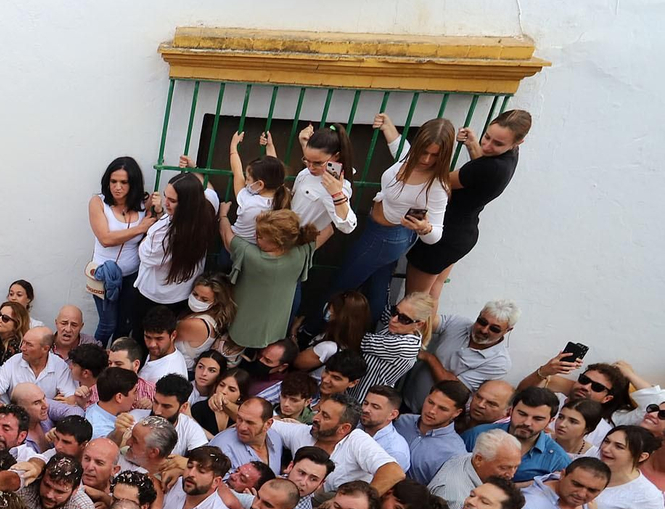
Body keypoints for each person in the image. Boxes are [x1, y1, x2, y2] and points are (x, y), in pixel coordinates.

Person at [323, 116, 455, 325]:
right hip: (380, 232)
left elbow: (435, 235)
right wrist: (387, 126)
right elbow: (400, 149)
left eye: (435, 155)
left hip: (386, 238)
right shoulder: (409, 157)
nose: (426, 159)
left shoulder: (437, 186)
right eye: (423, 151)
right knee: (377, 289)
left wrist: (425, 228)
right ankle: (373, 333)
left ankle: (310, 329)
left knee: (341, 286)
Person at [405, 109, 532, 299]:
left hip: (445, 235)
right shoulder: (509, 156)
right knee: (431, 294)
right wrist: (472, 145)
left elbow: (440, 182)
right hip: (462, 234)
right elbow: (478, 172)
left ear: (518, 142)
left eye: (497, 143)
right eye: (487, 137)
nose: (487, 146)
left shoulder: (489, 167)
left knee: (415, 300)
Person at [128, 173, 219, 336]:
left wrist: (146, 236)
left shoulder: (167, 235)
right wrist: (193, 169)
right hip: (181, 294)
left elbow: (144, 254)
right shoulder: (208, 209)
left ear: (187, 203)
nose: (166, 203)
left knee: (145, 338)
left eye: (172, 200)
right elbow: (211, 191)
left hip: (155, 297)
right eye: (166, 196)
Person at [222, 208, 319, 350]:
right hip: (276, 331)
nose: (255, 237)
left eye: (260, 236)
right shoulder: (301, 252)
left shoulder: (249, 254)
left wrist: (223, 215)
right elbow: (328, 231)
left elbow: (226, 235)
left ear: (277, 241)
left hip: (242, 330)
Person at [85, 156, 154, 343]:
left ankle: (117, 357)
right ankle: (93, 355)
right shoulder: (98, 202)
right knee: (108, 323)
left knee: (124, 324)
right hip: (105, 274)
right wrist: (139, 228)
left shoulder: (143, 204)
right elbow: (105, 239)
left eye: (124, 182)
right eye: (113, 181)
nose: (117, 187)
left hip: (132, 275)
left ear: (133, 183)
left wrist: (158, 207)